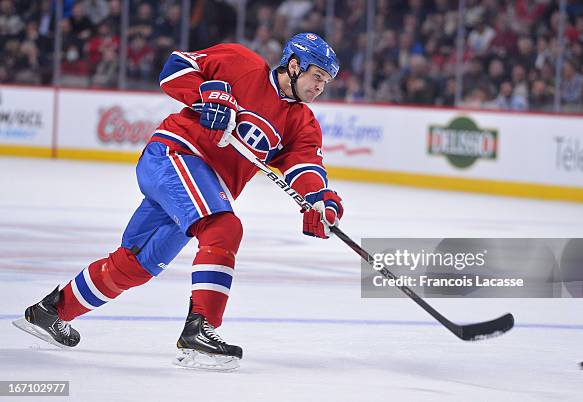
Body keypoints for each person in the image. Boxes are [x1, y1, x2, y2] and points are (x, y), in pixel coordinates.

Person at [14, 32, 344, 371]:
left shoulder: (301, 122)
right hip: (173, 155)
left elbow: (306, 167)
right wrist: (206, 93)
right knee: (223, 226)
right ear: (293, 65)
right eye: (317, 75)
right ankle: (200, 329)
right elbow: (176, 68)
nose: (320, 86)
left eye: (326, 81)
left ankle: (50, 312)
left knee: (136, 265)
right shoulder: (240, 62)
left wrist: (318, 201)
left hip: (201, 189)